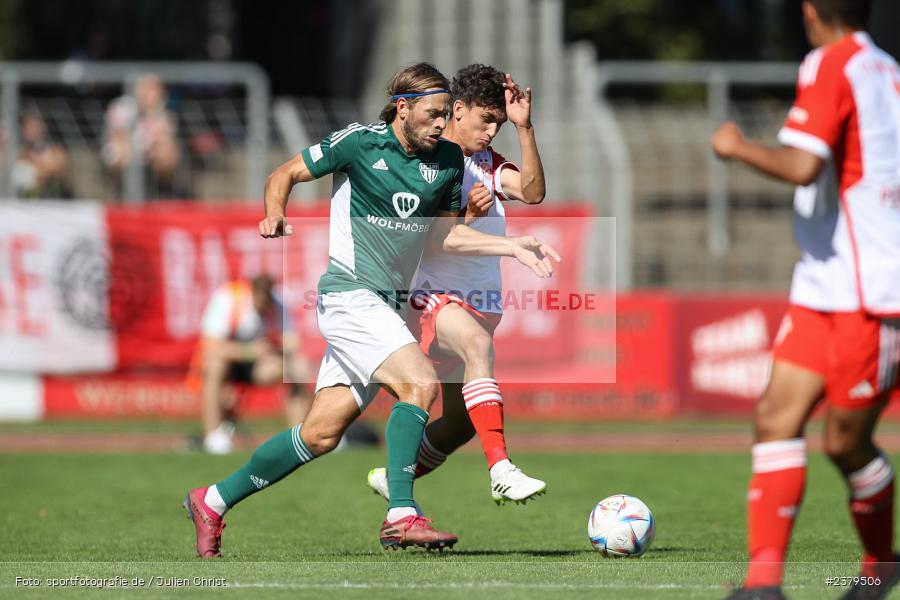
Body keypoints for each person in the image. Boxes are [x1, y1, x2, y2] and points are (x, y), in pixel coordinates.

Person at [183, 63, 560, 558]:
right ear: (402, 109)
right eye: (433, 114)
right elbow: (285, 173)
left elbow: (447, 238)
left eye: (444, 114)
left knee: (320, 434)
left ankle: (211, 500)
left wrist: (509, 244)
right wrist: (275, 212)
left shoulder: (448, 160)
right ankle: (401, 514)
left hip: (392, 308)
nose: (440, 123)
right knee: (419, 382)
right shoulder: (359, 142)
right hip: (350, 295)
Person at [710, 1, 900, 598]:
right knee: (776, 417)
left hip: (872, 293)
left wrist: (736, 146)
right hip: (826, 283)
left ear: (811, 12)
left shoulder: (831, 62)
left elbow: (801, 165)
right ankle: (763, 585)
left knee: (844, 444)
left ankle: (880, 568)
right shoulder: (886, 67)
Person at [366, 64, 548, 506]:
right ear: (459, 109)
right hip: (431, 296)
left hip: (478, 302)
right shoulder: (429, 159)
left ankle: (395, 479)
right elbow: (431, 237)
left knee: (461, 423)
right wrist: (474, 221)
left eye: (499, 123)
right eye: (486, 120)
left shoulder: (488, 162)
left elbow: (532, 192)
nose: (491, 131)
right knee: (476, 347)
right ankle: (501, 470)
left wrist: (524, 128)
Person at [187, 274, 311, 455]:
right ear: (252, 292)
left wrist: (277, 349)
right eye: (261, 300)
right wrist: (249, 351)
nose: (264, 306)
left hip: (257, 366)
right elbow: (211, 347)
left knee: (297, 367)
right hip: (228, 365)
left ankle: (298, 437)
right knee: (215, 365)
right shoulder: (228, 298)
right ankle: (214, 436)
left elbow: (292, 341)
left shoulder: (277, 304)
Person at [102, 73, 182, 199]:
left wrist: (153, 114)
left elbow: (165, 140)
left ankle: (162, 194)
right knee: (120, 153)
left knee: (166, 155)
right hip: (126, 151)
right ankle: (123, 194)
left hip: (148, 154)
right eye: (148, 88)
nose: (152, 94)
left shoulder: (164, 113)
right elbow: (119, 137)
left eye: (156, 90)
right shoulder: (121, 107)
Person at [14, 112, 72, 199]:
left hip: (48, 196)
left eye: (35, 127)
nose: (32, 131)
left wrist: (36, 166)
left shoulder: (55, 150)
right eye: (27, 128)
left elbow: (56, 170)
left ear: (42, 128)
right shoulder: (18, 151)